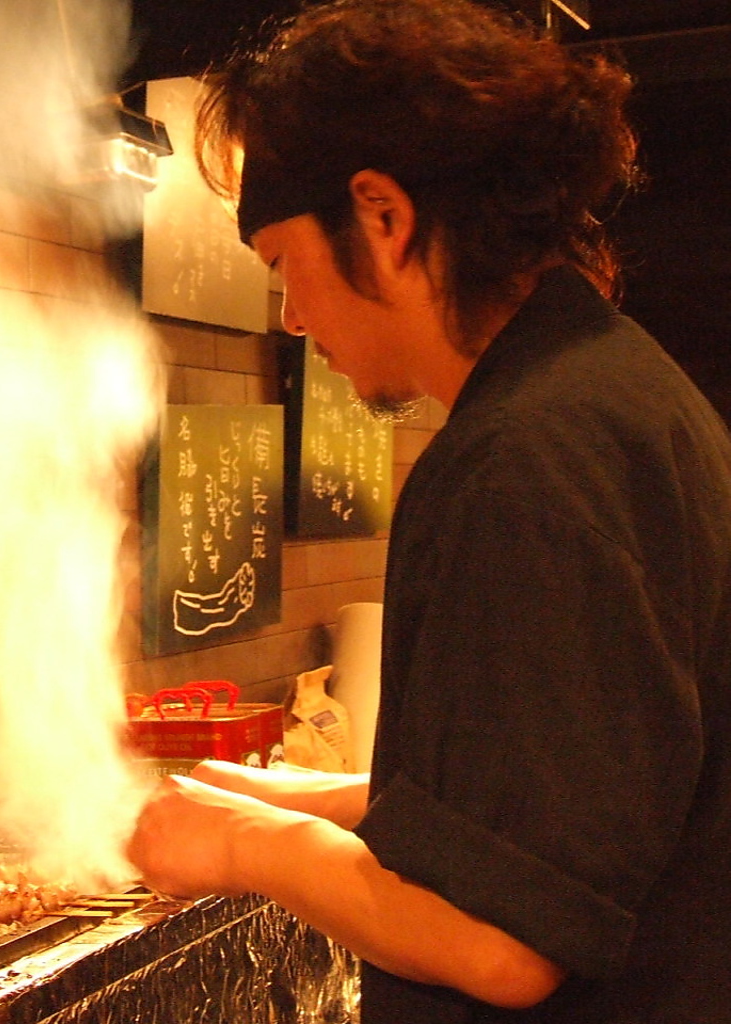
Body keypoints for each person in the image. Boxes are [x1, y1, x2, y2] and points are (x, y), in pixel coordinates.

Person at [127, 0, 731, 1020]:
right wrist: (279, 796)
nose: (295, 317)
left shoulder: (530, 457)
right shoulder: (597, 388)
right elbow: (550, 802)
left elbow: (503, 942)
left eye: (283, 266)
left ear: (383, 216)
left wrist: (246, 846)